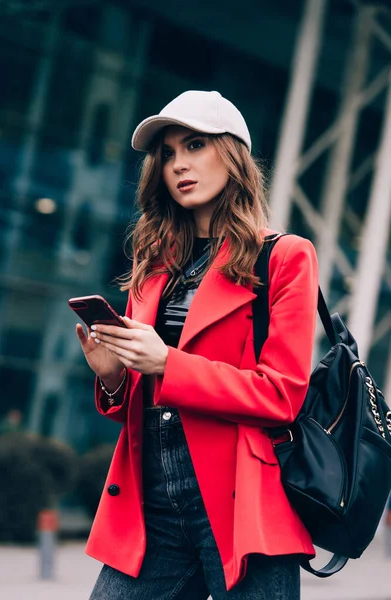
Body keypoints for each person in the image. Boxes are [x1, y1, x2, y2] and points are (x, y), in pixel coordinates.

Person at [76, 90, 318, 599]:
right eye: (167, 154)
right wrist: (115, 376)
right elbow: (143, 408)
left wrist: (167, 361)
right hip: (153, 504)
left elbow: (282, 395)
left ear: (232, 155)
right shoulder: (154, 262)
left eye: (195, 145)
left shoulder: (284, 258)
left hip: (241, 502)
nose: (179, 165)